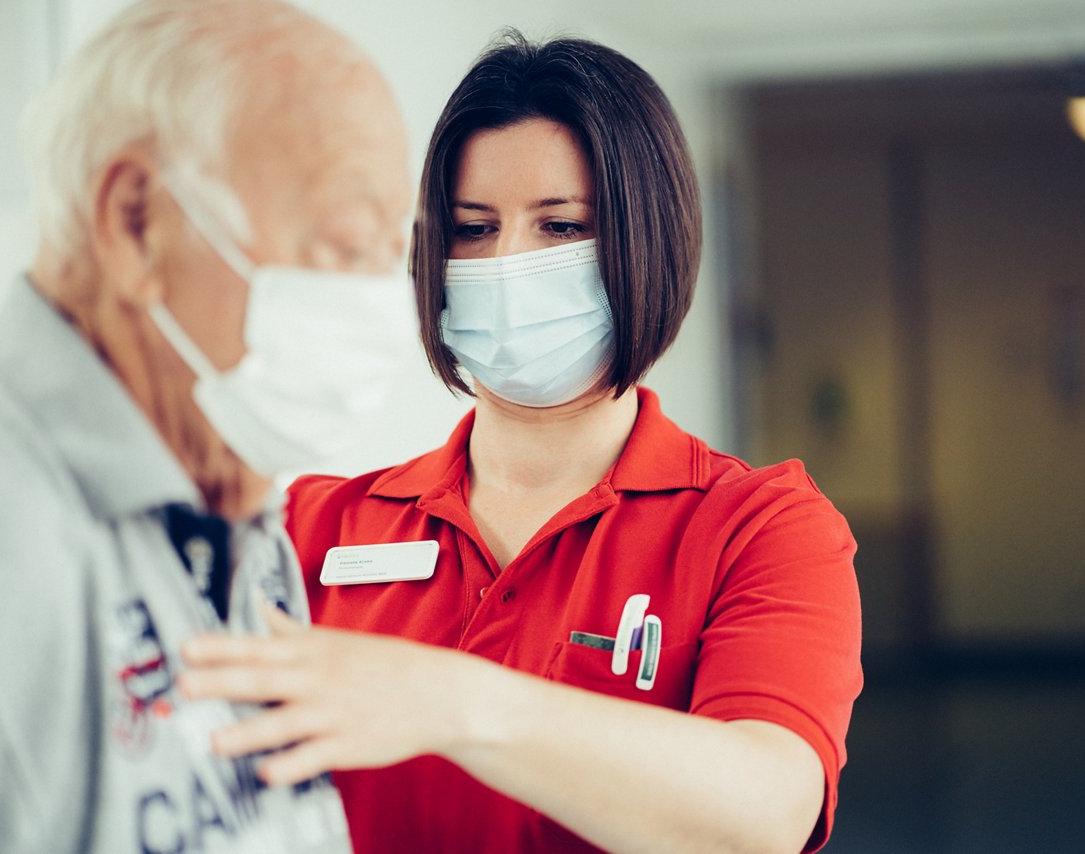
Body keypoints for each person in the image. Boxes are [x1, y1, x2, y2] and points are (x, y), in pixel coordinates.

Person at [177, 31, 864, 854]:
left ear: (650, 241)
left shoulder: (759, 528)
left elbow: (764, 816)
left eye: (561, 227)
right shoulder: (313, 527)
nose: (506, 264)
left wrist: (454, 702)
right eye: (473, 228)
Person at [0, 1, 412, 851]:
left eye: (393, 255)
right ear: (137, 223)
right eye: (344, 245)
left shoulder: (232, 497)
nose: (384, 309)